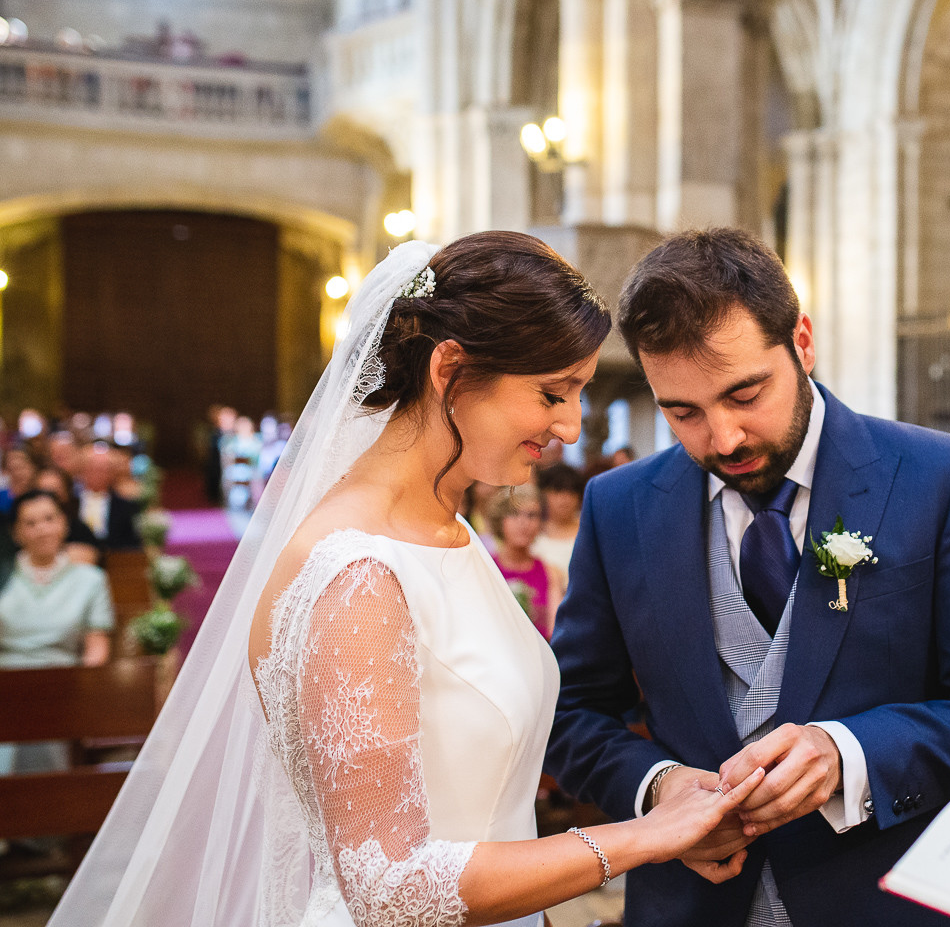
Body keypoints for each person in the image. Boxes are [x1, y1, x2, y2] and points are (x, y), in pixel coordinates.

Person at [49, 233, 766, 927]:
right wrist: (646, 838)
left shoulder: (445, 529)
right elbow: (388, 888)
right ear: (450, 369)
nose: (572, 427)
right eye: (553, 393)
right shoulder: (357, 572)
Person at [545, 227, 950, 927]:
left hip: (887, 903)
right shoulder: (619, 507)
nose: (723, 437)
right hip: (690, 908)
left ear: (804, 343)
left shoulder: (934, 479)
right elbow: (572, 711)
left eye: (745, 393)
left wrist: (849, 753)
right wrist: (656, 788)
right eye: (683, 412)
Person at [0, 489, 113, 775]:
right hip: (6, 682)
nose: (42, 529)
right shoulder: (4, 575)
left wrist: (81, 687)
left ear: (64, 524)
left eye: (49, 519)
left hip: (62, 682)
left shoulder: (90, 580)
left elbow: (96, 645)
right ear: (16, 533)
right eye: (30, 523)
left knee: (48, 724)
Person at [488, 483, 566, 638]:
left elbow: (556, 632)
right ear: (499, 520)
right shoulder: (486, 568)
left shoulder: (550, 573)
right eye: (514, 513)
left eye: (531, 515)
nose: (524, 523)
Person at [75, 442, 143, 554]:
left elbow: (133, 545)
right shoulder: (70, 504)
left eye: (103, 470)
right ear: (82, 471)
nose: (97, 474)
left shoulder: (126, 507)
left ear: (112, 473)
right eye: (92, 468)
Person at [34, 466, 102, 565]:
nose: (49, 498)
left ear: (67, 493)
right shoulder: (26, 528)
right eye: (43, 491)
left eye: (55, 492)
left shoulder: (80, 530)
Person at [532, 462, 585, 575]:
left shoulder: (588, 528)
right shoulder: (533, 530)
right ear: (544, 494)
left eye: (571, 492)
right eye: (558, 491)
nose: (565, 498)